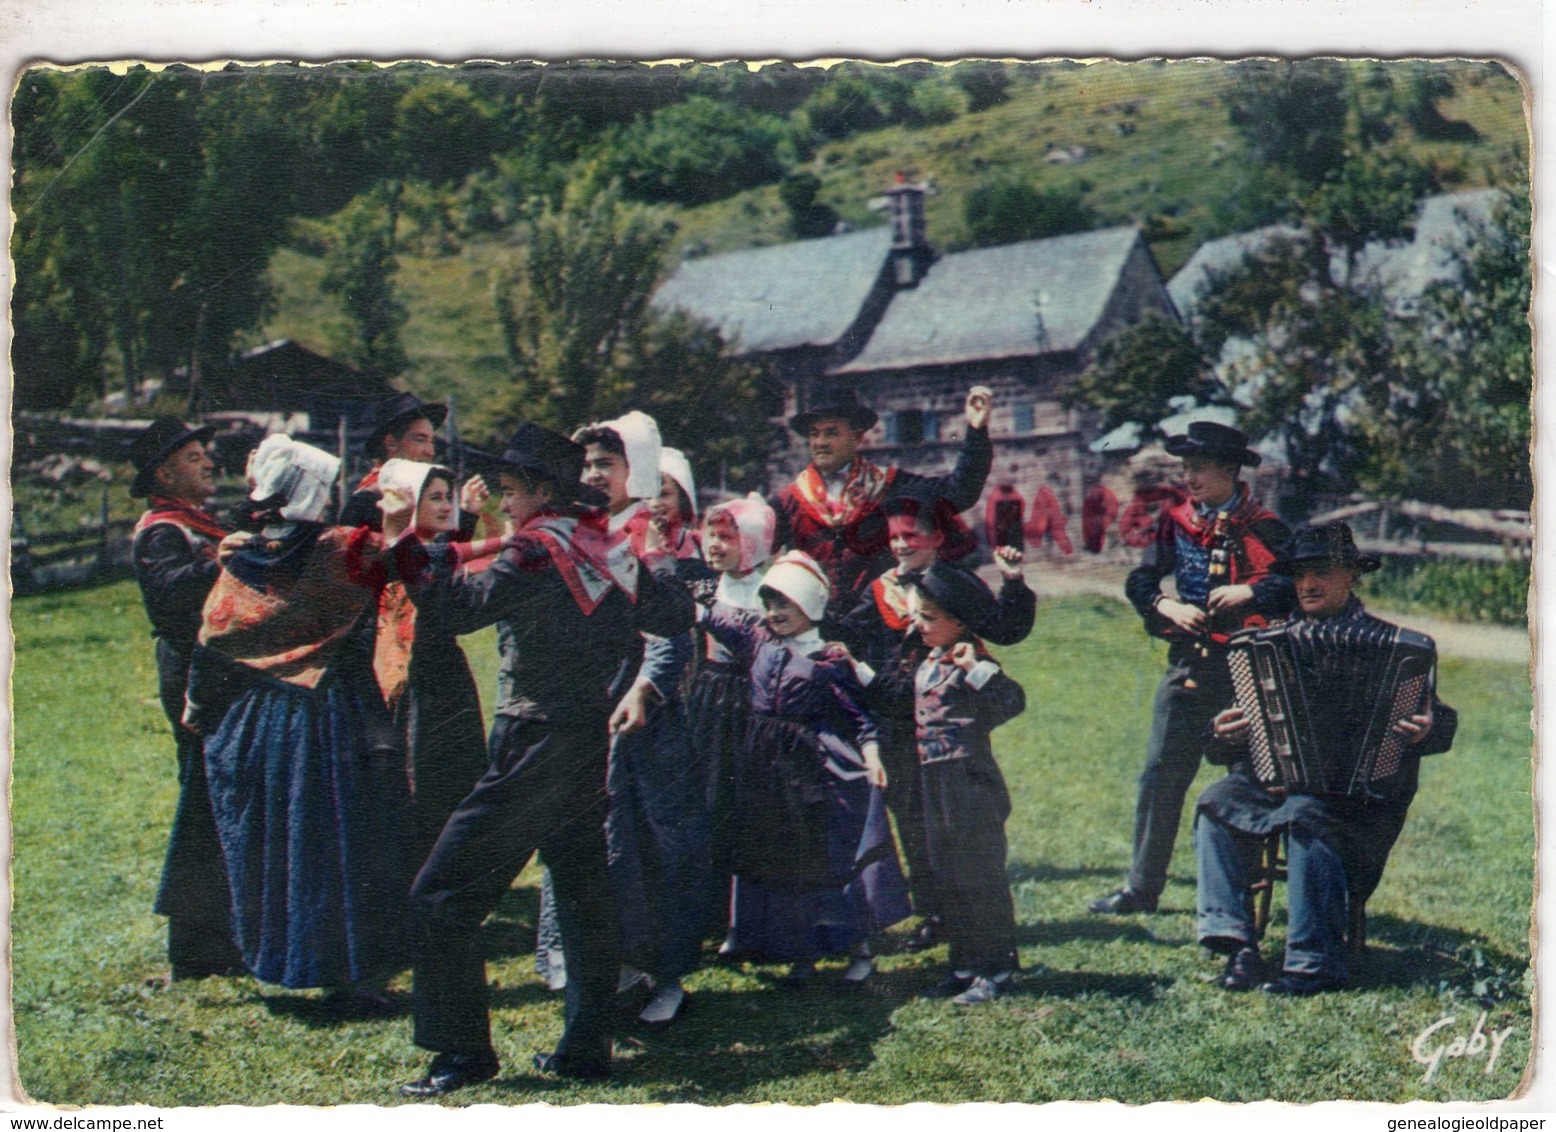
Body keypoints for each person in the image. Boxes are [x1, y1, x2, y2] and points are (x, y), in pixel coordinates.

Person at [394, 423, 695, 1095]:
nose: (502, 505)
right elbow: (674, 615)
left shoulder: (534, 549)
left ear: (540, 492)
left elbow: (449, 609)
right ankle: (586, 1047)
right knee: (585, 893)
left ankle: (461, 1055)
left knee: (441, 896)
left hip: (531, 741)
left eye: (507, 491)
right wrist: (657, 555)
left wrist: (407, 541)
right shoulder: (604, 546)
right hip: (586, 738)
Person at [185, 435, 414, 1006]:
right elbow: (404, 552)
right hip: (331, 709)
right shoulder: (342, 549)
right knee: (337, 839)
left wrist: (195, 705)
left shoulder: (240, 555)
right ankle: (347, 972)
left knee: (276, 838)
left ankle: (279, 955)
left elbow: (212, 637)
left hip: (260, 714)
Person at [1195, 522, 1457, 995]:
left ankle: (1312, 964)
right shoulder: (1265, 645)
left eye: (1323, 573)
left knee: (1305, 813)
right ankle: (1238, 947)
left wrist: (1427, 729)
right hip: (1274, 783)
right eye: (1299, 576)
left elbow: (1436, 719)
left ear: (1352, 577)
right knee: (1216, 800)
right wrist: (1221, 733)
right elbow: (1227, 742)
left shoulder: (1397, 648)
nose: (1308, 585)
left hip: (1359, 800)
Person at [1089, 421, 1294, 916]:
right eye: (1186, 469)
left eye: (1199, 468)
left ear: (1228, 470)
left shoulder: (1264, 526)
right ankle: (1141, 887)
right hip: (1190, 667)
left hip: (1249, 675)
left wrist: (1252, 591)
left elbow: (1297, 585)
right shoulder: (1175, 522)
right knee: (1159, 774)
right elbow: (1140, 581)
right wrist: (1166, 606)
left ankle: (1238, 892)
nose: (1190, 478)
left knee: (1247, 780)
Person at [698, 550, 911, 987]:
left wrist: (871, 754)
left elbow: (859, 716)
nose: (774, 613)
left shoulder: (829, 661)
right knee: (779, 862)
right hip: (763, 765)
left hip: (807, 769)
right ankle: (799, 951)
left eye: (785, 604)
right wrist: (693, 601)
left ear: (810, 606)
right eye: (770, 603)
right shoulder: (758, 639)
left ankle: (859, 948)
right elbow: (718, 617)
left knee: (824, 860)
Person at [835, 484, 1032, 954]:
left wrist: (1014, 583)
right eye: (895, 538)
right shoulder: (882, 588)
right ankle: (936, 912)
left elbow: (1006, 629)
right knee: (914, 821)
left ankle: (975, 924)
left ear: (938, 538)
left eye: (913, 536)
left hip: (952, 714)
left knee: (959, 826)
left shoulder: (957, 584)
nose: (902, 545)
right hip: (898, 717)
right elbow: (847, 632)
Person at [127, 416, 244, 981]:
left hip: (215, 668)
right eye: (195, 456)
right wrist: (227, 560)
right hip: (192, 669)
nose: (209, 464)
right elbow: (174, 597)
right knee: (202, 795)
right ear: (164, 472)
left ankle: (219, 935)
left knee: (218, 792)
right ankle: (196, 947)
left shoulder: (197, 525)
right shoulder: (162, 531)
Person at [901, 564, 1027, 1006]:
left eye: (929, 617)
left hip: (968, 780)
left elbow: (1013, 701)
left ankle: (998, 966)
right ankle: (964, 963)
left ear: (959, 622)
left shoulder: (972, 658)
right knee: (947, 872)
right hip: (933, 779)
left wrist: (977, 669)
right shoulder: (928, 659)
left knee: (978, 873)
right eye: (917, 615)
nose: (919, 624)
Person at [371, 459, 504, 864]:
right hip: (396, 680)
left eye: (448, 498)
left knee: (445, 778)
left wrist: (471, 514)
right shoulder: (379, 550)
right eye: (435, 499)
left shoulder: (437, 552)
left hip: (440, 677)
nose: (446, 507)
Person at [771, 385, 993, 623]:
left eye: (831, 433)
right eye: (814, 434)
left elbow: (959, 492)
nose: (820, 442)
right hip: (814, 630)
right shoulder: (789, 501)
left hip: (879, 627)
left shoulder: (891, 486)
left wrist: (976, 431)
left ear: (856, 437)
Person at [688, 494, 777, 958]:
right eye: (712, 535)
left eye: (728, 537)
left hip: (749, 701)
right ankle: (709, 914)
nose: (716, 545)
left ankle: (746, 921)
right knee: (707, 801)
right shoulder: (704, 587)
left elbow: (757, 646)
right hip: (708, 696)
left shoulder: (767, 591)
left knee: (744, 805)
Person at [339, 391, 493, 537]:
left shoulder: (414, 489)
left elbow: (440, 554)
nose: (430, 452)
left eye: (431, 441)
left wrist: (467, 512)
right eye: (420, 440)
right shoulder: (369, 498)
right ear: (391, 444)